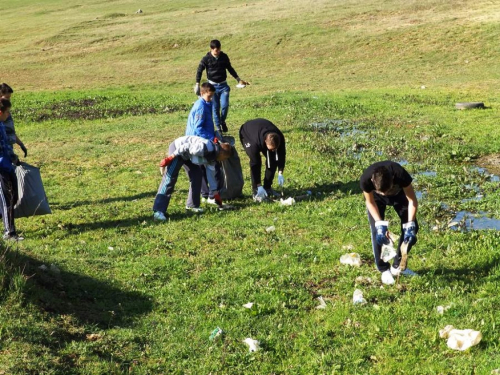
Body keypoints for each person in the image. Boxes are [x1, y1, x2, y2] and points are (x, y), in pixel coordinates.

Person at [360, 161, 418, 285]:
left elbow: (412, 200)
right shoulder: (366, 179)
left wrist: (410, 224)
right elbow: (370, 202)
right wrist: (379, 223)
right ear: (372, 181)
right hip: (376, 200)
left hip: (399, 196)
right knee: (377, 232)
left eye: (387, 190)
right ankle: (383, 269)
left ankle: (397, 266)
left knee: (412, 229)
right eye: (383, 192)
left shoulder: (400, 174)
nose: (386, 194)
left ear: (392, 179)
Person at [153, 135, 233, 221]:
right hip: (178, 149)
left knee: (197, 175)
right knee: (170, 178)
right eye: (225, 158)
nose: (224, 160)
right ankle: (158, 211)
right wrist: (169, 158)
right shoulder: (205, 148)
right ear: (221, 153)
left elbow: (211, 177)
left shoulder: (213, 159)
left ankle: (192, 205)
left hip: (188, 155)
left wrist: (215, 194)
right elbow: (185, 147)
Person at [194, 39, 249, 133]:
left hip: (223, 85)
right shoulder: (206, 59)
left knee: (225, 105)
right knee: (215, 107)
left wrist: (238, 79)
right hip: (212, 86)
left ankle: (222, 121)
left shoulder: (224, 57)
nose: (218, 52)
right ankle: (218, 128)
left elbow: (230, 68)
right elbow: (199, 70)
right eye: (216, 50)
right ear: (211, 49)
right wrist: (197, 83)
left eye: (219, 49)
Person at [185, 82, 222, 205]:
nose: (211, 99)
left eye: (212, 96)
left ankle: (207, 195)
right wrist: (212, 137)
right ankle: (210, 195)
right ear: (202, 93)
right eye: (209, 96)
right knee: (210, 167)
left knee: (202, 167)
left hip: (202, 140)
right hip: (198, 142)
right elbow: (198, 128)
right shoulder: (200, 106)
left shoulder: (206, 104)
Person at [239, 118, 286, 202]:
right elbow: (254, 164)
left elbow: (282, 154)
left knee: (272, 160)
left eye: (274, 149)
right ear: (265, 142)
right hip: (247, 133)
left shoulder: (279, 137)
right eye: (271, 149)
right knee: (256, 161)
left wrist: (280, 172)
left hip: (260, 130)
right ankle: (256, 190)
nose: (273, 150)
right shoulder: (254, 143)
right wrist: (258, 185)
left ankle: (268, 187)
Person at [0, 98, 22, 241]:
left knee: (14, 196)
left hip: (8, 164)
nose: (8, 115)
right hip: (1, 167)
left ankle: (8, 228)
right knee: (7, 198)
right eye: (7, 112)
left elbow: (6, 144)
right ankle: (10, 232)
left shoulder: (1, 124)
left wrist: (14, 157)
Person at [0, 84, 28, 165]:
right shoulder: (2, 115)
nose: (9, 100)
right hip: (4, 153)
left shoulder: (6, 113)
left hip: (8, 149)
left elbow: (10, 131)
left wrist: (20, 144)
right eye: (7, 97)